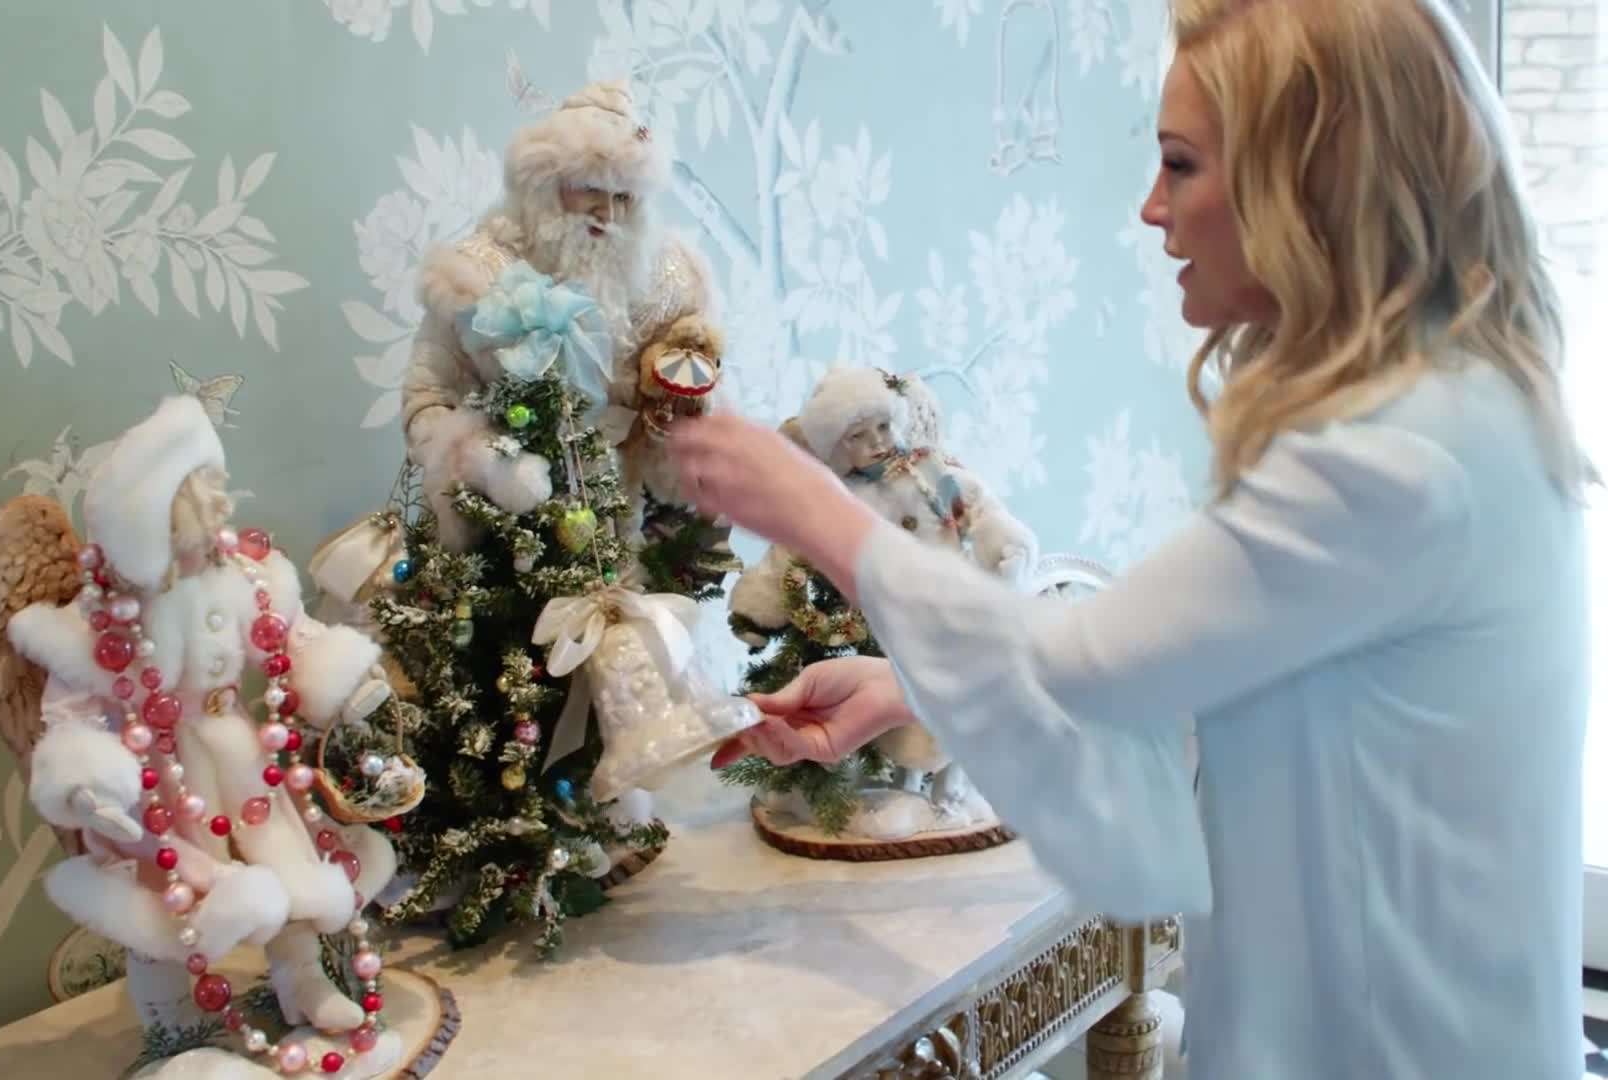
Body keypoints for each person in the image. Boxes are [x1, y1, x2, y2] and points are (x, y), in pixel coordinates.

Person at [669, 0, 1594, 1075]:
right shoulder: (1457, 404)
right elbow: (1221, 686)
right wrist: (914, 689)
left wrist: (810, 506)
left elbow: (1090, 666)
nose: (1153, 209)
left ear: (1311, 182)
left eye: (1182, 165)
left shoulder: (1397, 458)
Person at [401, 79, 724, 550]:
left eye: (625, 196)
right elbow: (426, 401)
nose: (607, 213)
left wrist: (679, 429)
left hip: (635, 537)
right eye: (591, 188)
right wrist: (493, 467)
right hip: (506, 544)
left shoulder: (674, 282)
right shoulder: (475, 276)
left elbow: (696, 389)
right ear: (546, 185)